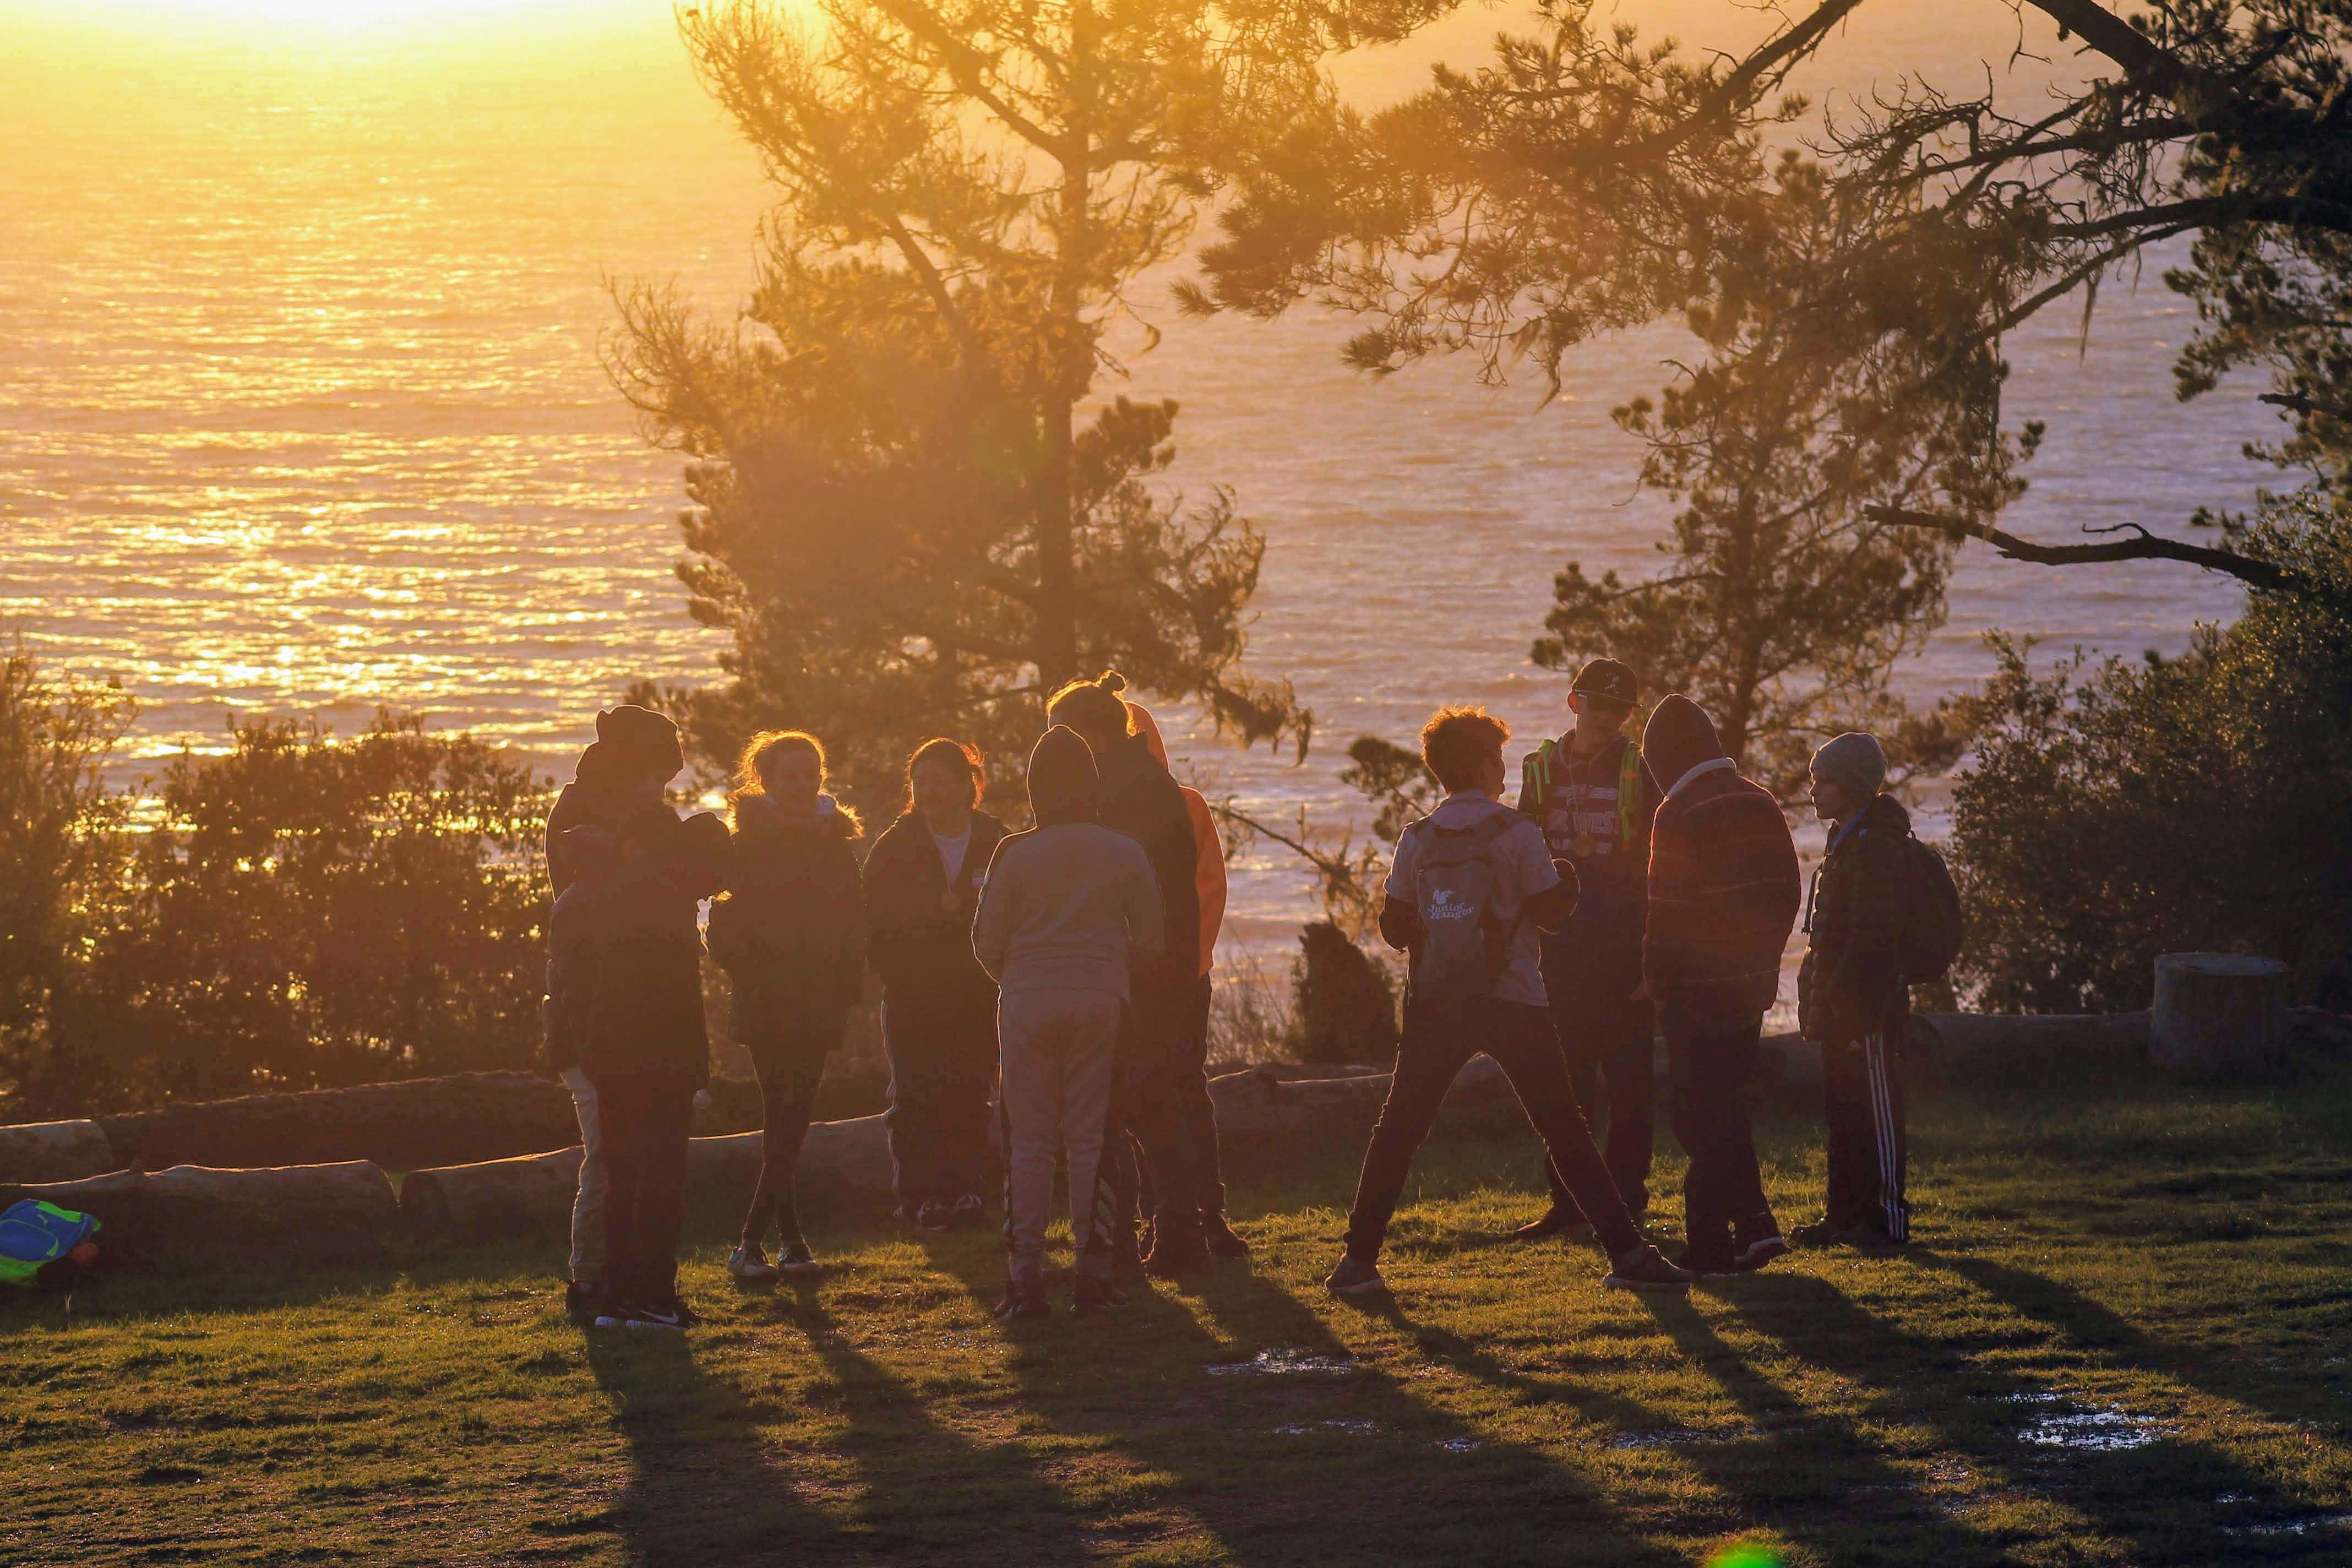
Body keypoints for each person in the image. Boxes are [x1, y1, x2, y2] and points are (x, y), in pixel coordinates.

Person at [1323, 706, 1692, 1298]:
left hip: (1436, 1000)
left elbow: (1394, 926)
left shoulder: (1416, 838)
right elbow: (1550, 915)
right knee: (1563, 1127)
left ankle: (1357, 1260)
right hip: (1513, 997)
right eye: (1498, 755)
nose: (1503, 765)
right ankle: (1627, 1251)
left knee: (1398, 1129)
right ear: (1485, 762)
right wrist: (1568, 879)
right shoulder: (1517, 832)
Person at [972, 725, 1167, 1318]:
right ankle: (1092, 1269)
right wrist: (1107, 968)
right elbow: (1154, 939)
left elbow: (985, 941)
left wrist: (1019, 978)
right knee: (1092, 1139)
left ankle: (1024, 1276)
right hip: (1101, 999)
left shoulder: (1013, 853)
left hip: (1026, 1001)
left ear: (1034, 791)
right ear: (1092, 785)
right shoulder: (1124, 850)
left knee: (1028, 1142)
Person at [566, 707, 731, 1331]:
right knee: (659, 1173)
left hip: (608, 1037)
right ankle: (650, 1294)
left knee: (623, 1167)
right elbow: (715, 865)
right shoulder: (664, 884)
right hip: (659, 1040)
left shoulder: (597, 876)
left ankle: (617, 1295)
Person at [1043, 673, 1210, 1276]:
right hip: (1160, 963)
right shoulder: (1146, 784)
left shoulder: (1119, 794)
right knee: (1144, 1095)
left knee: (1137, 1096)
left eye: (1059, 737)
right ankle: (1164, 1230)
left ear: (1086, 734)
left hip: (1140, 967)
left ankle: (1158, 1232)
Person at [1640, 694, 1802, 1277]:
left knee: (1696, 1115)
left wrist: (1655, 983)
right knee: (1723, 1108)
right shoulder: (1760, 800)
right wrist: (1762, 961)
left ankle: (1720, 1241)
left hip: (1695, 988)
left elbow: (1667, 908)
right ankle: (1747, 1232)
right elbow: (1788, 889)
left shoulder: (1678, 810)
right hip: (1749, 985)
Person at [543, 704, 695, 1323]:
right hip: (597, 1011)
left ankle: (611, 1277)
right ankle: (593, 1276)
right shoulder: (590, 821)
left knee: (614, 1152)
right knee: (609, 1152)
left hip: (614, 1007)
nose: (663, 792)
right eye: (657, 777)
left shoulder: (604, 812)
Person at [1509, 657, 1664, 1241]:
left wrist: (1655, 954)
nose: (1607, 718)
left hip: (1624, 947)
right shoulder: (1540, 768)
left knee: (1629, 1086)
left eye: (1620, 709)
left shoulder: (1639, 770)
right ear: (1575, 703)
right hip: (1559, 949)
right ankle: (1568, 1201)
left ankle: (1626, 1200)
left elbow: (1663, 866)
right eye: (1597, 704)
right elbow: (1520, 848)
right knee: (1565, 1084)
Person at [709, 731, 867, 1283]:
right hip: (767, 998)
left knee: (791, 1118)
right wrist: (754, 970)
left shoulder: (834, 842)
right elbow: (722, 927)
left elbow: (854, 919)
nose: (802, 784)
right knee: (785, 1112)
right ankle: (760, 1242)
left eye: (811, 774)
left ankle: (782, 1243)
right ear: (768, 779)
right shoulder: (745, 841)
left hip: (820, 999)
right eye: (791, 775)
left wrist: (849, 985)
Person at [864, 738, 1007, 1231]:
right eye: (919, 784)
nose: (928, 793)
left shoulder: (996, 839)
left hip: (979, 996)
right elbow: (871, 924)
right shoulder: (896, 844)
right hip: (912, 998)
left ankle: (967, 1191)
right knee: (915, 1097)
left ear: (968, 784)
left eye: (939, 783)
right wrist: (899, 976)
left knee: (970, 1094)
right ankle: (919, 1199)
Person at [1124, 701, 1248, 1259]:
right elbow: (1209, 889)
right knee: (1169, 1095)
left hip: (1173, 978)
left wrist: (1189, 965)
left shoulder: (1182, 805)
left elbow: (1208, 891)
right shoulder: (1168, 805)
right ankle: (1178, 1214)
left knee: (1173, 1094)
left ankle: (1198, 1214)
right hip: (1165, 975)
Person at [1793, 732, 1913, 1249]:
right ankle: (1842, 1216)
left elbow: (1873, 937)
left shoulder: (1877, 846)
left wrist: (1848, 1002)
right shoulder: (1844, 838)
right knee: (1842, 1114)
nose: (1813, 791)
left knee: (1877, 1112)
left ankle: (1887, 1218)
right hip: (1839, 1005)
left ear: (1853, 785)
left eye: (1825, 781)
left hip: (1869, 1009)